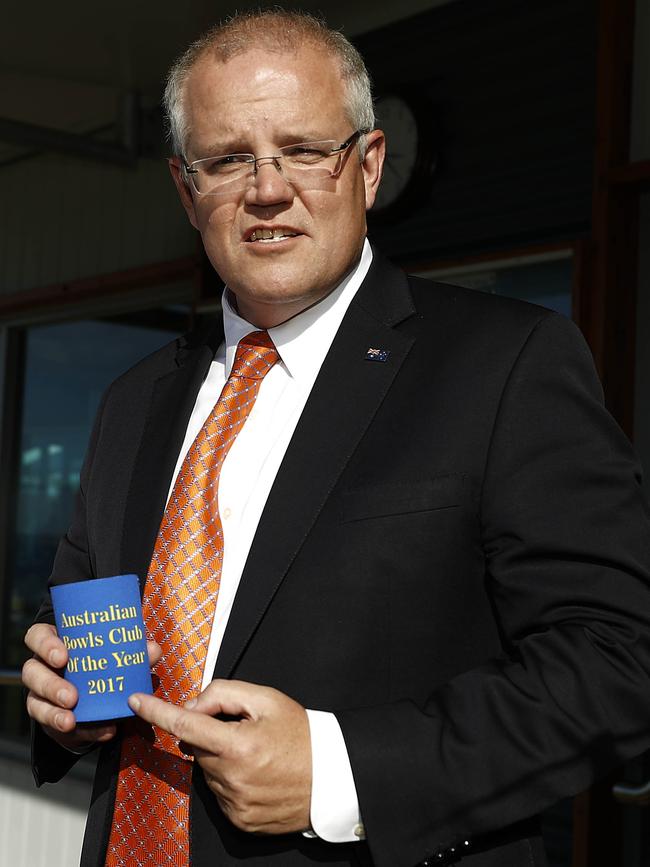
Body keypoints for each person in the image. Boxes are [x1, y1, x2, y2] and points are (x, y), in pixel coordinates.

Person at [21, 9, 650, 867]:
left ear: (370, 164)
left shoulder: (506, 362)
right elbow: (81, 620)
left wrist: (341, 769)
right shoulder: (133, 399)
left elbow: (617, 663)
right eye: (228, 158)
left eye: (305, 149)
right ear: (184, 186)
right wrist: (63, 697)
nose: (267, 188)